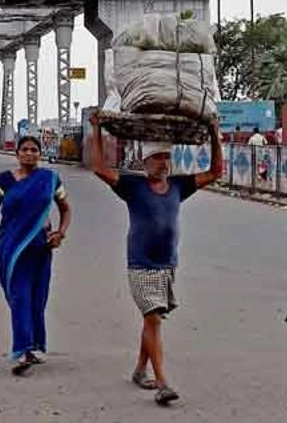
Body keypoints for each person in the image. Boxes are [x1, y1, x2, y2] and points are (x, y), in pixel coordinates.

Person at [89, 110, 223, 405]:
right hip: (141, 265)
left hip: (167, 265)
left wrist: (214, 133)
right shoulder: (132, 186)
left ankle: (140, 370)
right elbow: (99, 167)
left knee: (153, 320)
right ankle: (162, 383)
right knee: (152, 318)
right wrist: (97, 129)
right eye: (157, 158)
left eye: (166, 158)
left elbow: (215, 172)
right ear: (144, 162)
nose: (163, 163)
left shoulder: (179, 186)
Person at [0, 136, 71, 375]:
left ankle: (33, 347)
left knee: (37, 298)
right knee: (19, 297)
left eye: (34, 150)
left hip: (41, 248)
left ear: (40, 154)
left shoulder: (50, 179)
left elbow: (65, 209)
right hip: (13, 249)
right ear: (17, 154)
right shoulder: (5, 180)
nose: (29, 153)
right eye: (24, 149)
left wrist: (60, 233)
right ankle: (23, 349)